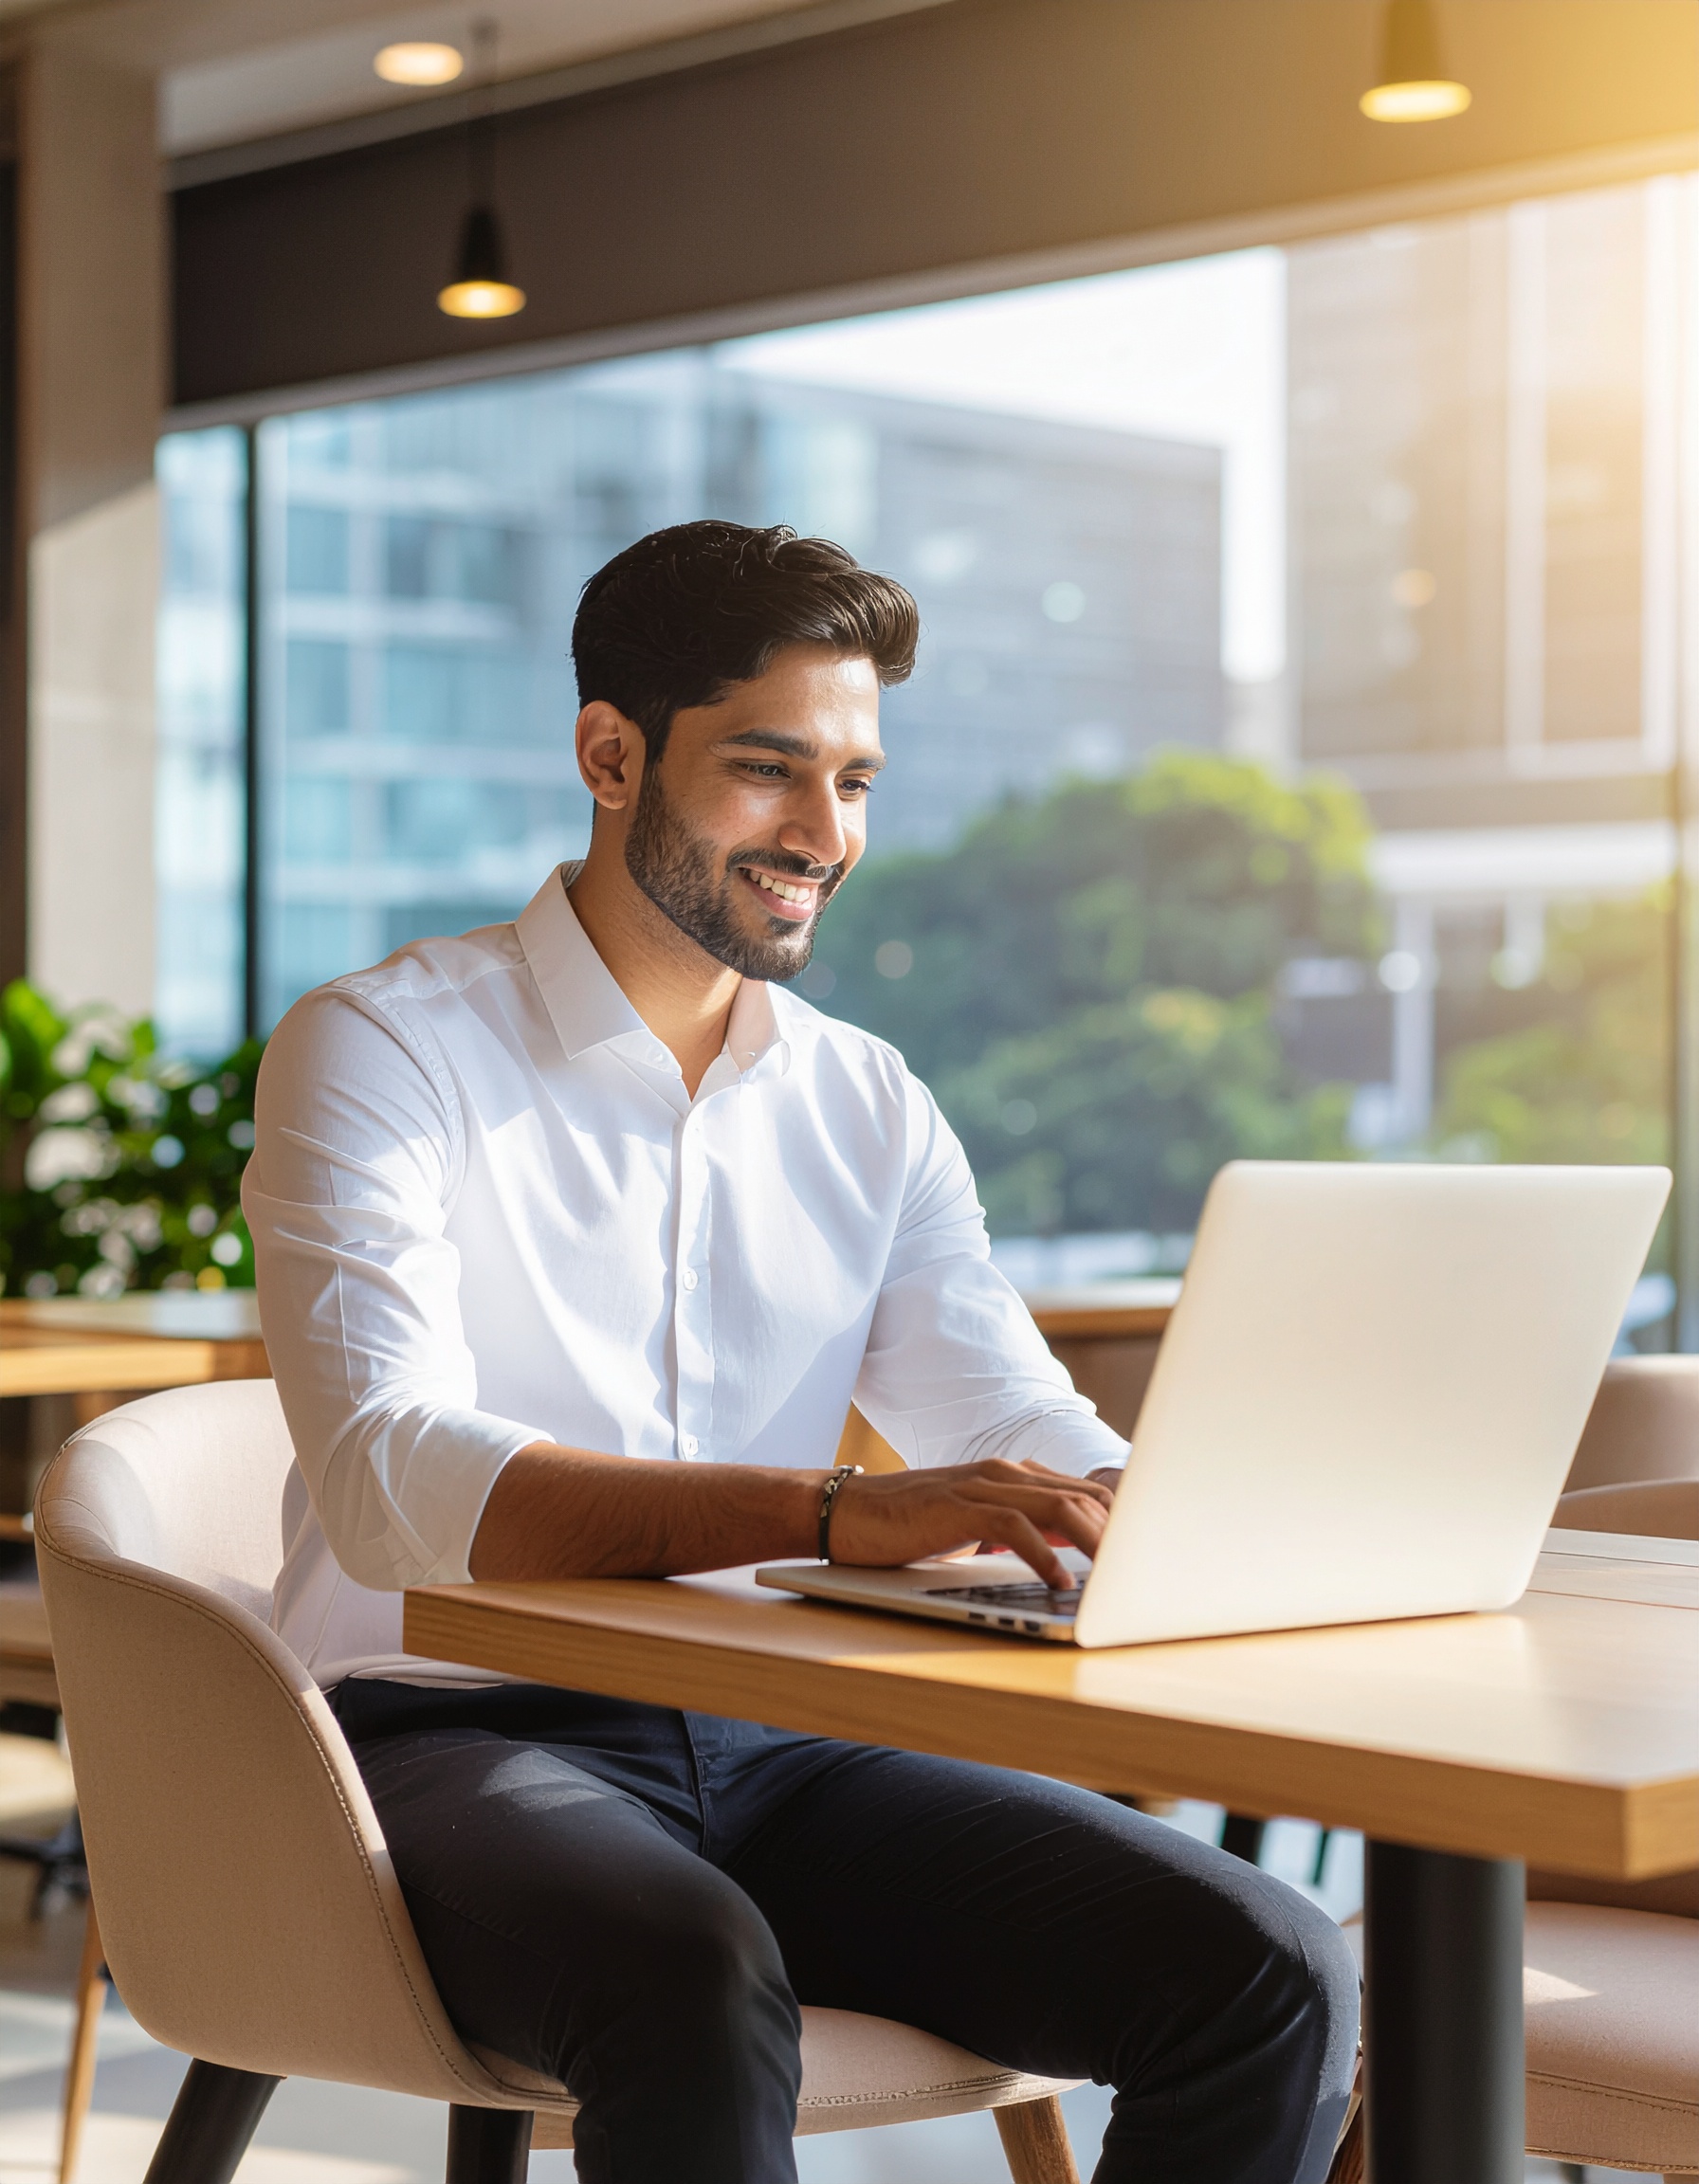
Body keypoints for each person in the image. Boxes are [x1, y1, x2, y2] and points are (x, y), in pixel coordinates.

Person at [245, 519, 1359, 2184]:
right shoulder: (384, 1047)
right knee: (691, 1978)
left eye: (856, 780)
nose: (823, 834)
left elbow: (1004, 1409)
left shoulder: (868, 1100)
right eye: (771, 772)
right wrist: (836, 1514)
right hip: (447, 1737)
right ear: (610, 755)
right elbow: (397, 1482)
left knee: (1274, 1968)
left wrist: (1160, 1511)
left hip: (788, 1742)